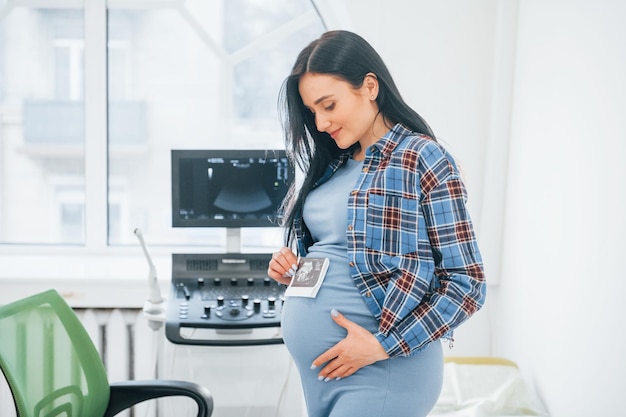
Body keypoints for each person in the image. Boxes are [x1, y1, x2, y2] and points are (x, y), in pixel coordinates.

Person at [267, 30, 486, 417]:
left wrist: (384, 344)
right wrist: (296, 272)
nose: (319, 123)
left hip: (384, 370)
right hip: (324, 374)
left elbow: (467, 284)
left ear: (369, 86)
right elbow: (346, 254)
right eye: (312, 111)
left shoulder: (423, 158)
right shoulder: (332, 165)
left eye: (328, 105)